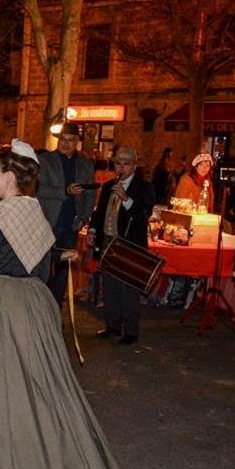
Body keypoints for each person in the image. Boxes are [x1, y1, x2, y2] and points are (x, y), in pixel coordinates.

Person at [0, 139, 119, 469]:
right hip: (38, 302)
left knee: (3, 383)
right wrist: (60, 252)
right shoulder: (35, 210)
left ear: (9, 177)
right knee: (45, 380)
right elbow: (37, 258)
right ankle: (70, 460)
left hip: (7, 301)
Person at [88, 146, 156, 345]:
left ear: (134, 166)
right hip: (109, 241)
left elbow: (144, 213)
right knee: (109, 287)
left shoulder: (144, 187)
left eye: (126, 164)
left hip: (129, 245)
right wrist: (93, 231)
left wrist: (126, 198)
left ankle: (131, 331)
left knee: (128, 290)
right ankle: (113, 325)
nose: (122, 167)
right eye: (119, 163)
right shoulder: (109, 185)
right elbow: (99, 214)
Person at [37, 122, 96, 303]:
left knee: (63, 269)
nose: (65, 143)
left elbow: (91, 193)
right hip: (48, 222)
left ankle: (55, 308)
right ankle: (40, 308)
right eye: (63, 139)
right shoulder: (46, 160)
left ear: (77, 141)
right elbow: (38, 190)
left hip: (71, 224)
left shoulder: (85, 164)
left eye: (70, 140)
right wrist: (65, 191)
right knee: (44, 267)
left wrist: (84, 217)